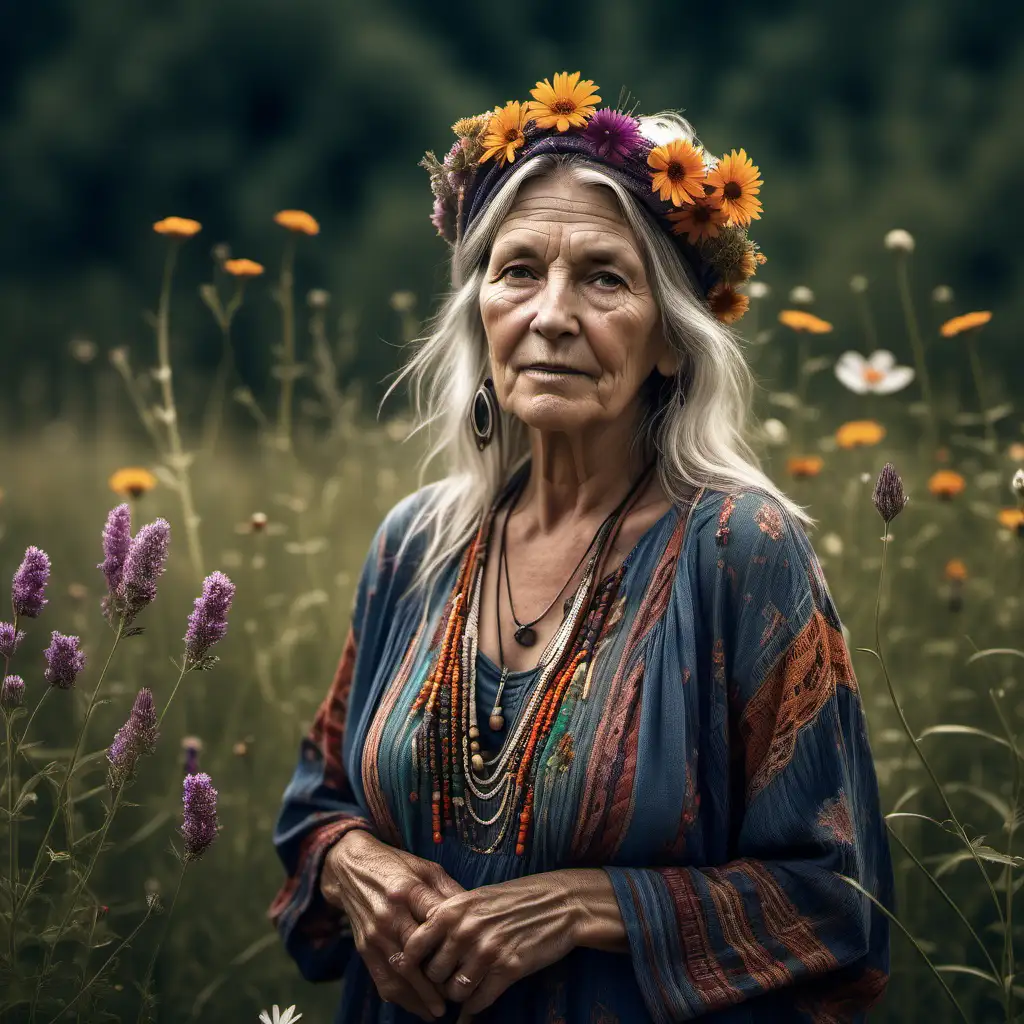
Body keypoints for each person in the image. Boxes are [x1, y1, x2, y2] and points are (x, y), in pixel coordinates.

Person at [269, 71, 894, 1024]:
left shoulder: (739, 551)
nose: (551, 313)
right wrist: (356, 867)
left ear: (672, 343)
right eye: (518, 270)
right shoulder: (418, 546)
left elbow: (838, 899)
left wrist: (590, 905)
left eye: (603, 277)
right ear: (480, 310)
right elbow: (318, 802)